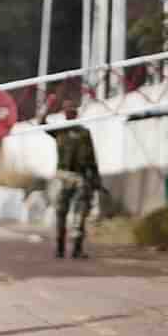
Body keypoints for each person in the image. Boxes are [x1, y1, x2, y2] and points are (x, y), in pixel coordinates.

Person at [38, 94, 101, 259]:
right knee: (61, 213)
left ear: (76, 113)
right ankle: (59, 248)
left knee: (80, 215)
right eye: (66, 109)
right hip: (63, 177)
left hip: (81, 178)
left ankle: (77, 249)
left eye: (72, 109)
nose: (69, 112)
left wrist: (96, 180)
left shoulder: (84, 133)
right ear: (63, 112)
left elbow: (92, 159)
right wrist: (48, 105)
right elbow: (41, 123)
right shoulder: (60, 131)